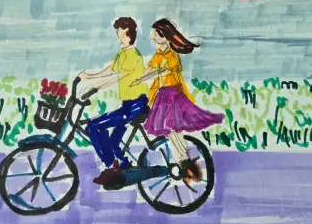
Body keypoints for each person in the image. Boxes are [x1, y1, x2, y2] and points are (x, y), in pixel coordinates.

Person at [131, 18, 224, 179]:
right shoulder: (159, 55)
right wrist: (137, 77)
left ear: (165, 36)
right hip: (162, 95)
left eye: (156, 34)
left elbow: (160, 71)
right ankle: (182, 159)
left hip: (172, 95)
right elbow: (150, 69)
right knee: (170, 130)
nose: (153, 37)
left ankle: (184, 159)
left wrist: (140, 79)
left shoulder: (172, 56)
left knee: (172, 128)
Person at [79, 17, 149, 184]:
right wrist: (89, 76)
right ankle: (122, 164)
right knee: (113, 142)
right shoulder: (123, 53)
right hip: (128, 105)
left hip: (136, 104)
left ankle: (111, 166)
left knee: (94, 126)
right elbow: (110, 69)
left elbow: (118, 76)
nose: (118, 35)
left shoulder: (132, 55)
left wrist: (95, 86)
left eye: (120, 32)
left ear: (127, 34)